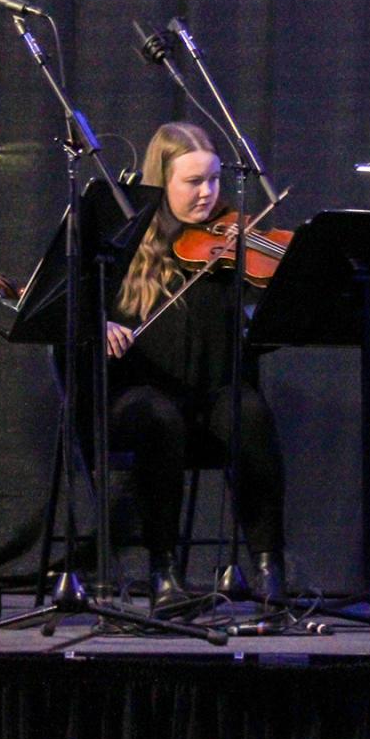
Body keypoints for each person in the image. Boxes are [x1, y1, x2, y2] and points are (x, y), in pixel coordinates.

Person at [101, 122, 287, 607]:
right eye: (193, 183)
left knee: (250, 413)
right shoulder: (125, 242)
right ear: (162, 183)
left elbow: (263, 315)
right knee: (158, 419)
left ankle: (270, 566)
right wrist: (98, 326)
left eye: (214, 180)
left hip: (211, 395)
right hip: (139, 397)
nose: (208, 194)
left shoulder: (233, 242)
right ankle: (164, 573)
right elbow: (74, 308)